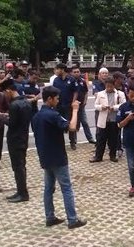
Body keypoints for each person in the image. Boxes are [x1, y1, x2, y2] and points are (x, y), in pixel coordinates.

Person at [31, 86, 88, 229]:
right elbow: (72, 127)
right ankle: (72, 219)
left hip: (44, 156)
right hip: (57, 157)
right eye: (56, 98)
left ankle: (49, 217)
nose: (57, 101)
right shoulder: (52, 115)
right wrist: (75, 110)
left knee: (48, 188)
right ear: (49, 99)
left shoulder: (37, 116)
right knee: (66, 188)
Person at [0, 78, 33, 203]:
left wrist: (2, 117)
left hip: (15, 139)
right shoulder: (26, 102)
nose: (5, 95)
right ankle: (20, 191)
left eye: (5, 93)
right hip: (23, 137)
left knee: (18, 167)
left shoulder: (14, 105)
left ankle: (23, 194)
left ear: (9, 90)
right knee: (21, 166)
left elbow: (12, 123)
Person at [91, 78, 124, 163]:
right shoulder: (100, 94)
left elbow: (123, 104)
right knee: (101, 139)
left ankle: (112, 155)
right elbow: (95, 105)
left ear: (114, 85)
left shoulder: (120, 94)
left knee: (113, 139)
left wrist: (114, 107)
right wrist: (101, 107)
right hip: (103, 119)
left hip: (114, 119)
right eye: (107, 86)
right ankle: (98, 156)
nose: (109, 88)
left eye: (111, 86)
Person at [70, 65, 96, 145]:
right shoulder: (70, 81)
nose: (76, 73)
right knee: (74, 124)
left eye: (78, 72)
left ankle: (90, 138)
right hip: (72, 106)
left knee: (85, 122)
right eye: (75, 72)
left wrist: (85, 101)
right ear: (71, 73)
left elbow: (86, 92)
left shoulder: (82, 81)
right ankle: (73, 141)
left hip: (81, 106)